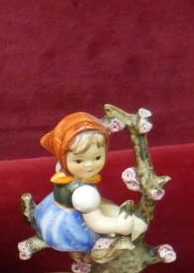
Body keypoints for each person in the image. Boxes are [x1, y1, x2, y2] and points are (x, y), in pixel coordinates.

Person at [31, 111, 148, 261]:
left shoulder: (62, 169)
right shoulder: (84, 193)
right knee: (119, 226)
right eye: (79, 161)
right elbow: (96, 222)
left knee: (112, 208)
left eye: (97, 157)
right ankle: (85, 256)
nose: (89, 165)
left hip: (51, 213)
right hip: (69, 229)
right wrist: (119, 226)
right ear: (64, 157)